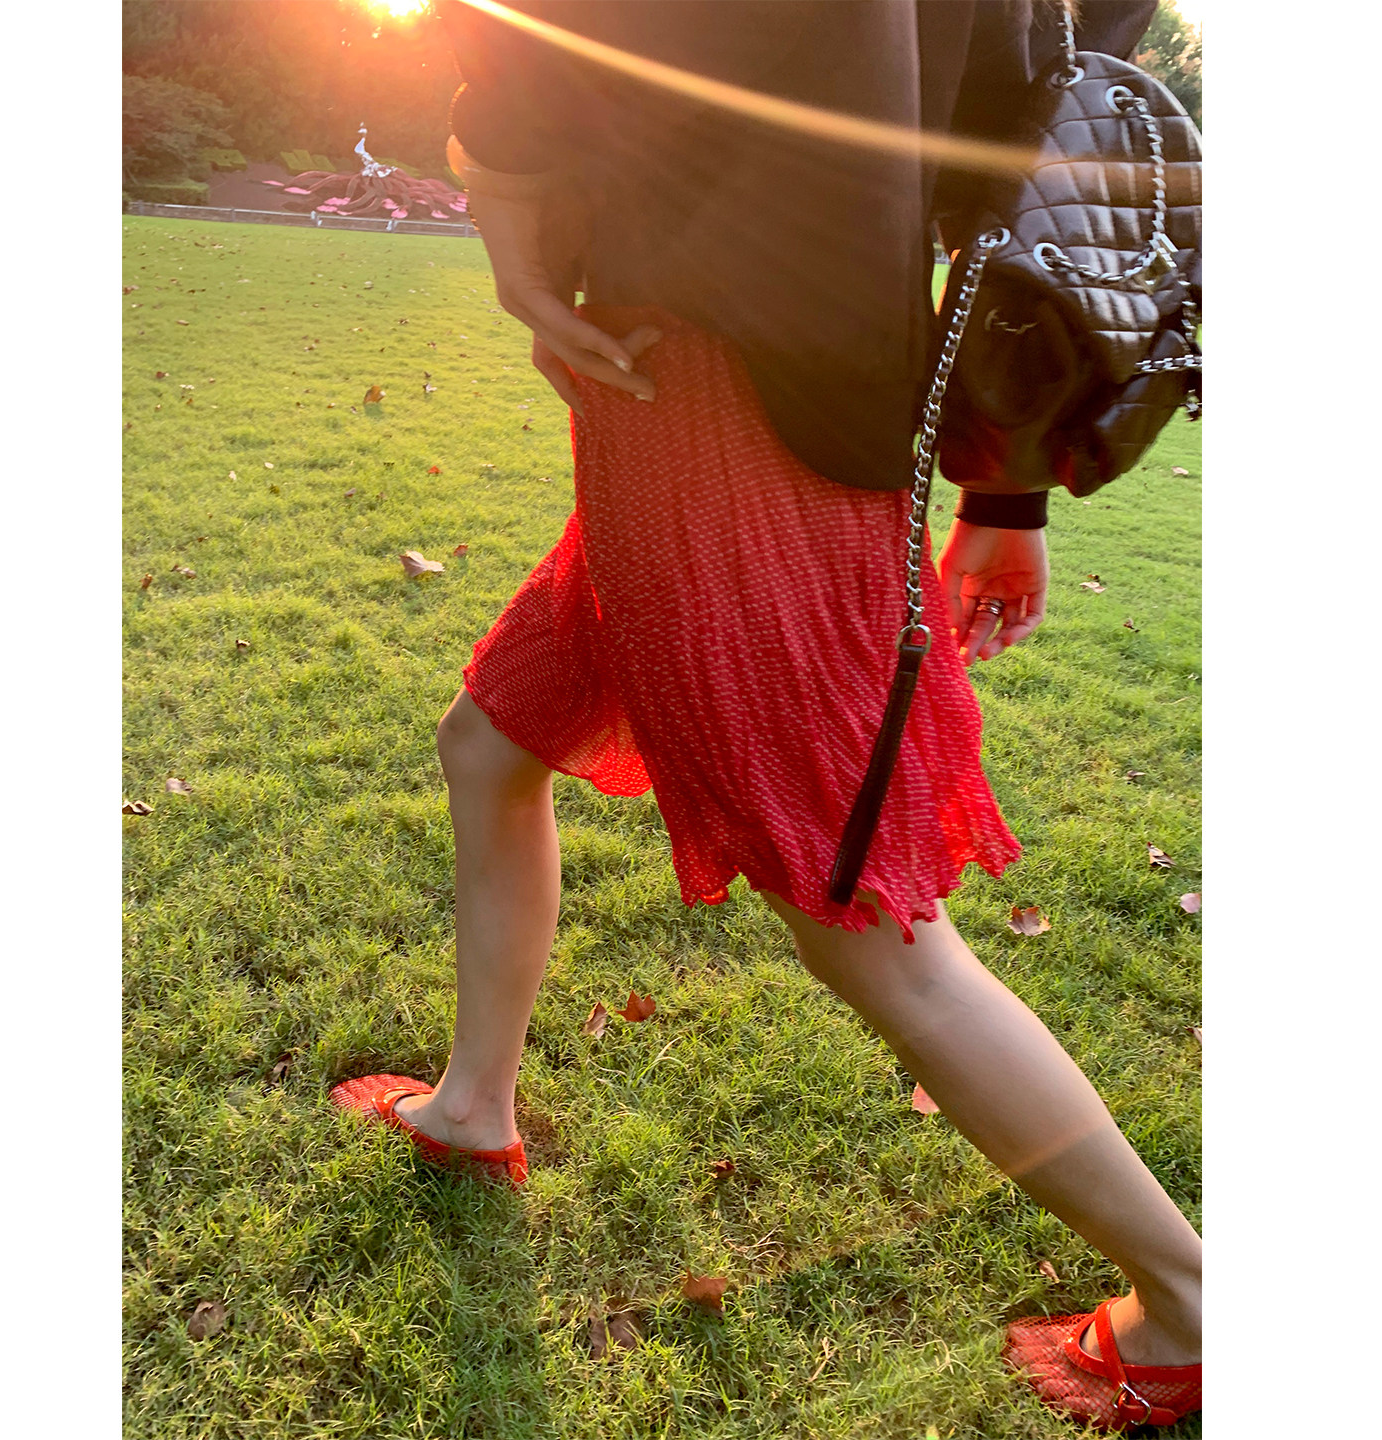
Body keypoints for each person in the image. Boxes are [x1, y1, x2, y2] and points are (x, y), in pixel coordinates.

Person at [329, 2, 1201, 1429]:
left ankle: (1195, 1305)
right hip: (794, 378)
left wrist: (511, 220)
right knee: (491, 741)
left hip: (713, 380)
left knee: (875, 933)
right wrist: (1007, 481)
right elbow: (1033, 116)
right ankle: (473, 1107)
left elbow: (548, 34)